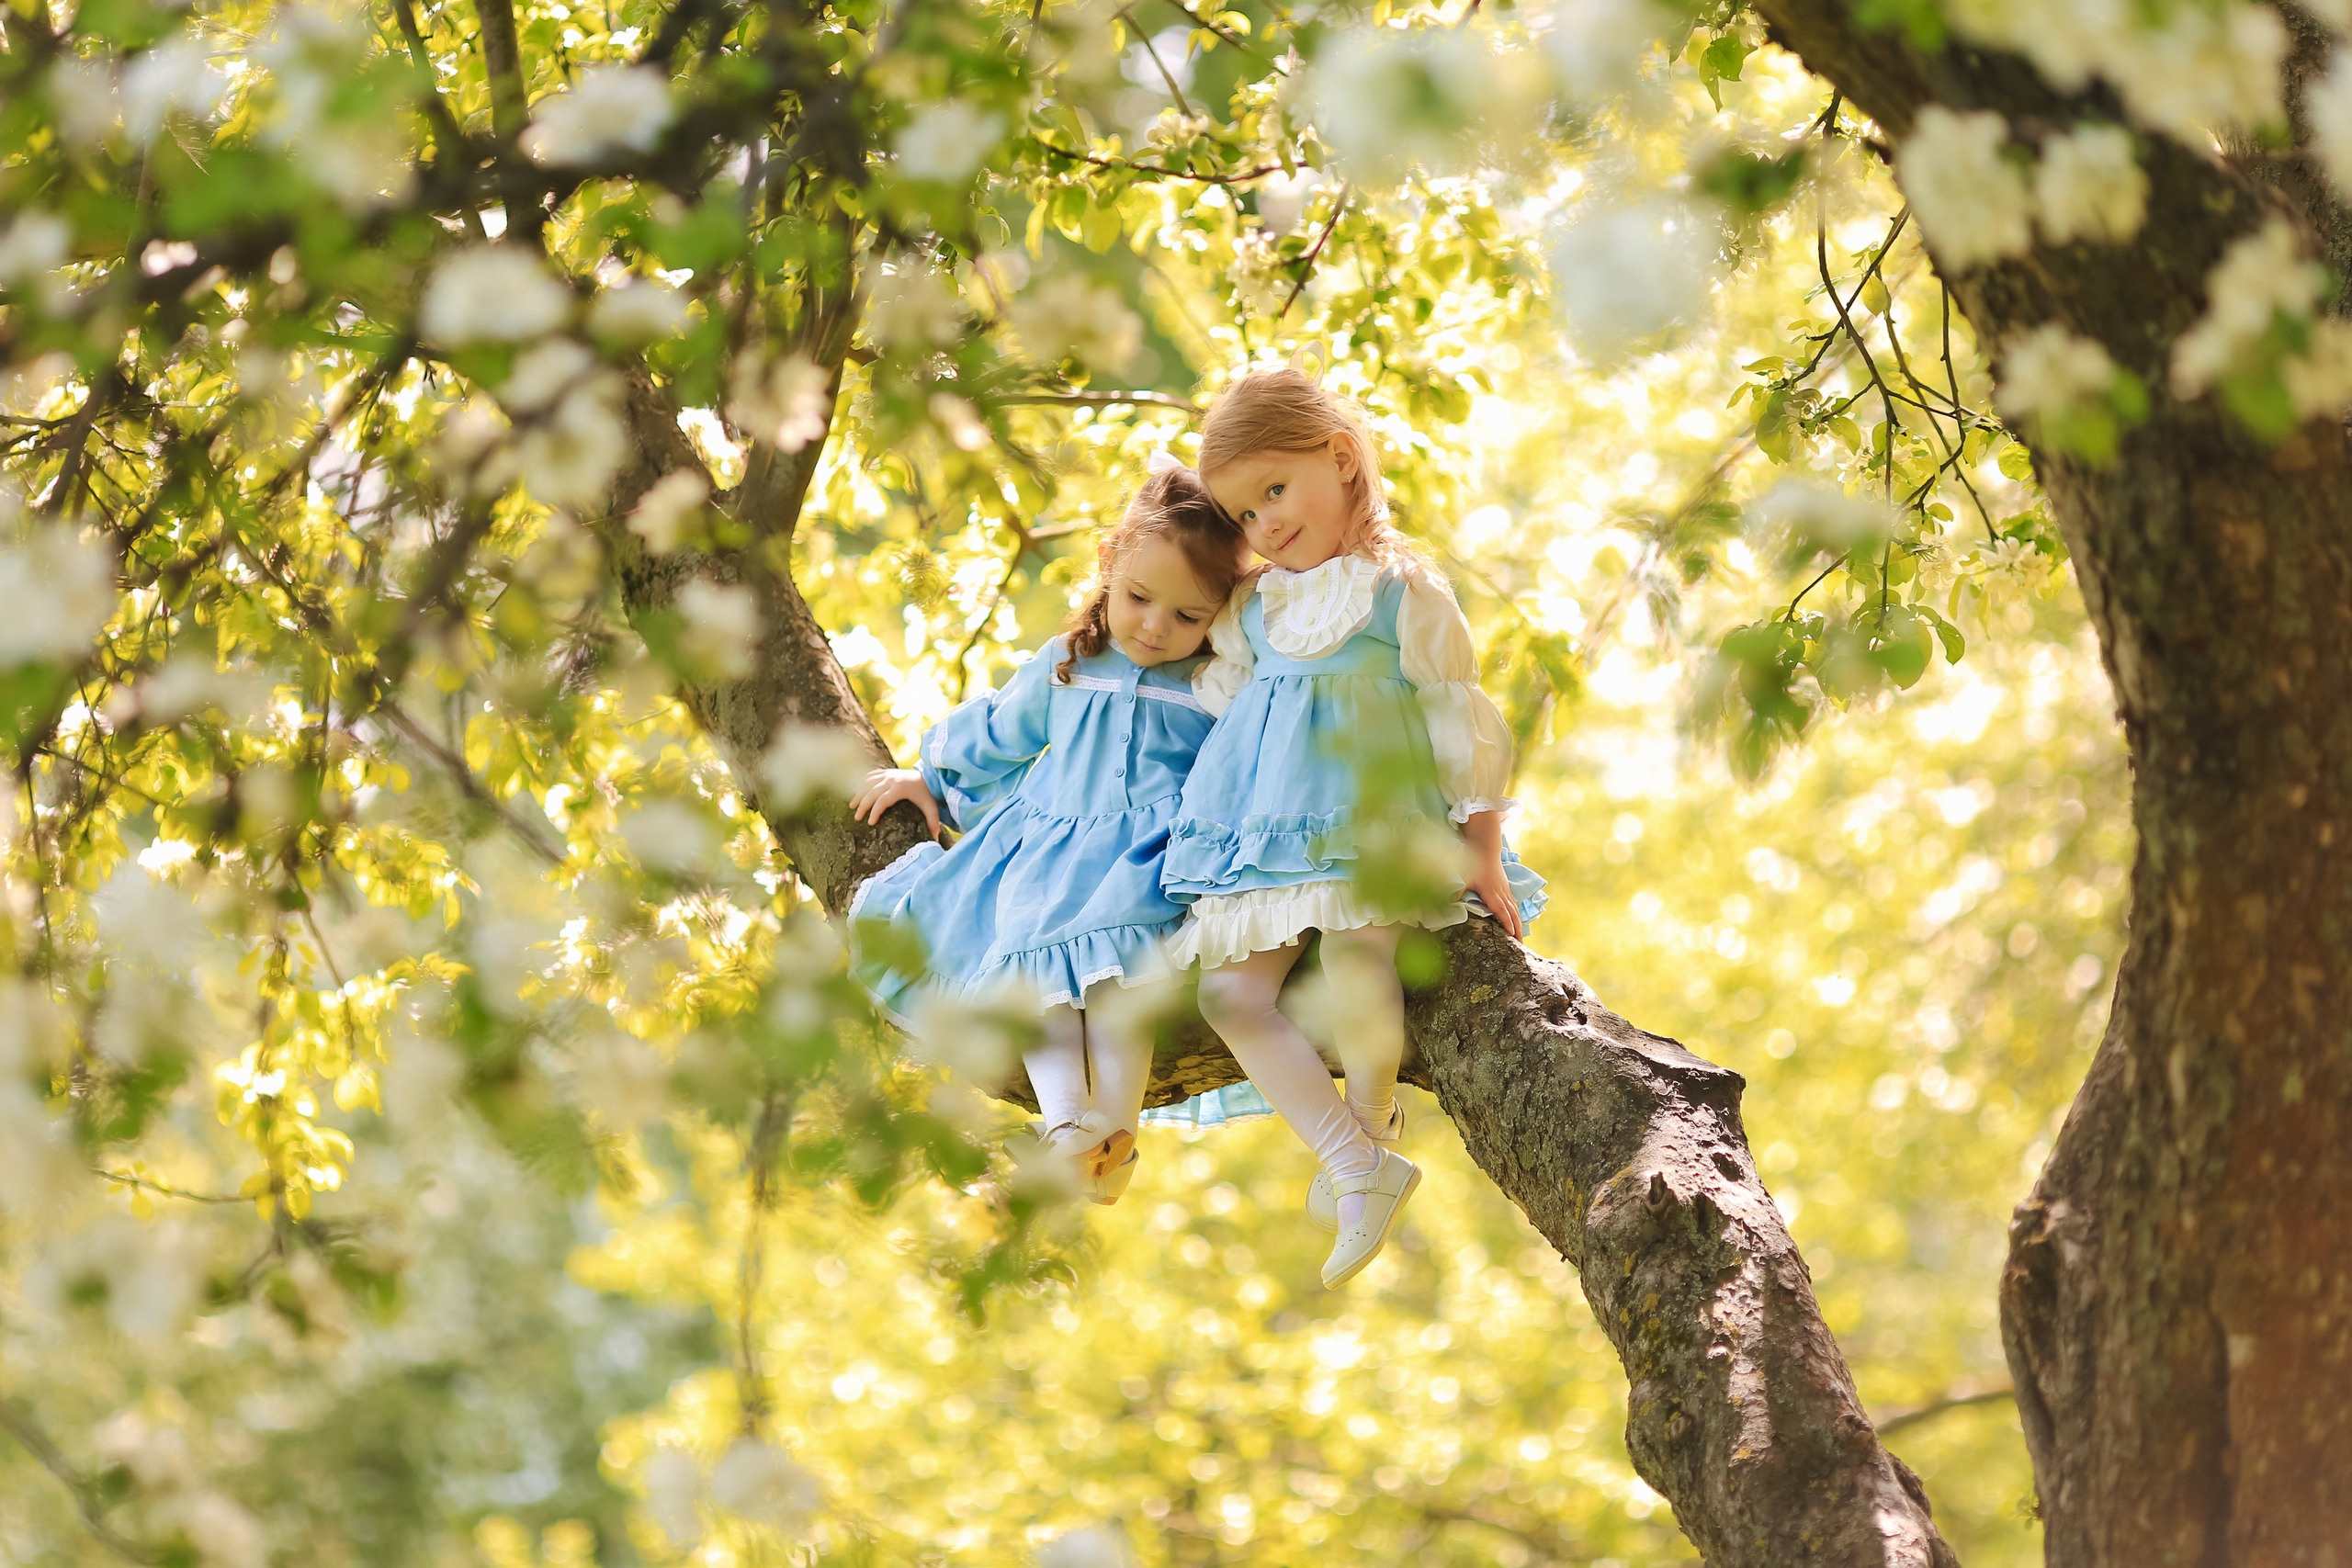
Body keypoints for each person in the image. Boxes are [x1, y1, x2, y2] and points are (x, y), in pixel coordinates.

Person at [1164, 367, 1544, 1285]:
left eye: (1275, 491)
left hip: (1374, 814)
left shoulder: (1399, 593)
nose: (1265, 525)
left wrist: (1478, 842)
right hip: (1266, 829)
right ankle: (1356, 1161)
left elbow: (1457, 713)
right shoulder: (1255, 606)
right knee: (1228, 995)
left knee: (1355, 957)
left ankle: (1368, 1134)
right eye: (1245, 515)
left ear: (1340, 459)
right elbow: (1204, 692)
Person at [849, 457, 1248, 1203]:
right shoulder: (1070, 663)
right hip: (1051, 852)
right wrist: (927, 777)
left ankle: (1116, 1132)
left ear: (1222, 614)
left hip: (1145, 857)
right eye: (1137, 598)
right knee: (1041, 971)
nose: (1156, 626)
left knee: (1119, 977)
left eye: (1189, 615)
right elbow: (1001, 728)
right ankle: (1070, 1124)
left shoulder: (1213, 687)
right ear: (1108, 565)